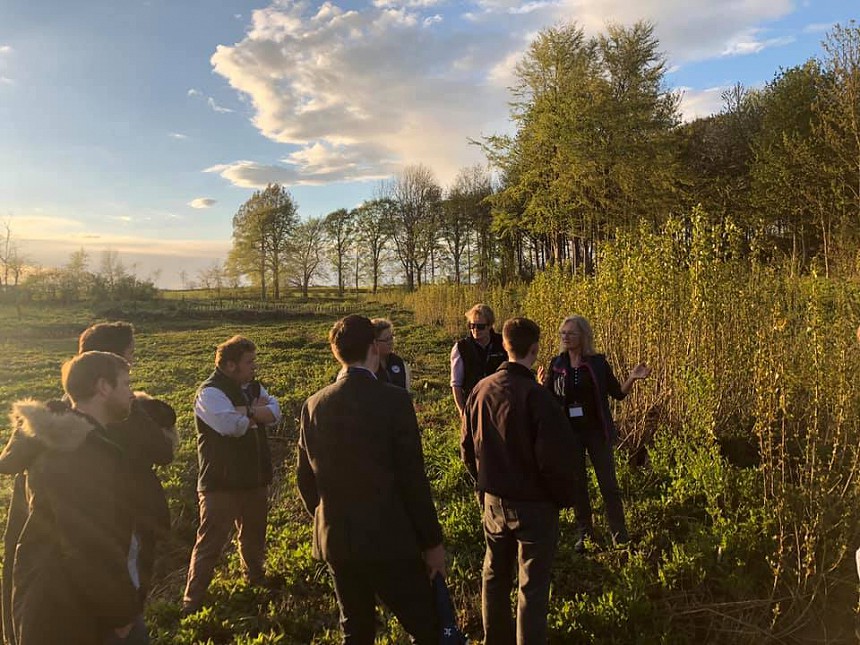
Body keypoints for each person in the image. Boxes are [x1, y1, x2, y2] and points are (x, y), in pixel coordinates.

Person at [297, 315, 445, 644]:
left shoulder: (313, 405)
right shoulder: (394, 401)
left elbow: (305, 479)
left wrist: (326, 516)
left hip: (338, 541)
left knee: (356, 629)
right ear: (373, 349)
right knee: (426, 626)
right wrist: (432, 542)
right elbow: (413, 479)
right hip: (389, 537)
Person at [0, 352, 141, 644]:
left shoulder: (77, 443)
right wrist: (119, 611)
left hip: (67, 604)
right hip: (72, 612)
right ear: (103, 387)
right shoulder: (77, 452)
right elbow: (86, 542)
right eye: (126, 384)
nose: (132, 393)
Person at [461, 317, 577, 645]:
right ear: (535, 349)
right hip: (535, 506)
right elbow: (554, 461)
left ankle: (494, 640)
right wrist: (561, 499)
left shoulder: (480, 390)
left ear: (504, 346)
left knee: (494, 577)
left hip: (493, 502)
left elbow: (467, 448)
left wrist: (483, 486)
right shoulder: (539, 399)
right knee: (533, 587)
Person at [79, 322, 177, 642]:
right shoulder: (122, 412)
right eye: (129, 355)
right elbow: (163, 452)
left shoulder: (68, 412)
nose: (133, 363)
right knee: (127, 616)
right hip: (128, 523)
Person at [182, 336, 282, 615]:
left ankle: (254, 583)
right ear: (229, 365)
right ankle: (193, 600)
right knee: (210, 542)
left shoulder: (252, 387)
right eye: (248, 362)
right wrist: (254, 413)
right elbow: (231, 426)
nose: (254, 367)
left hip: (253, 479)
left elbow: (276, 412)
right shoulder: (209, 393)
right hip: (220, 483)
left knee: (253, 537)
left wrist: (246, 411)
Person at [539, 315, 650, 552]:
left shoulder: (597, 363)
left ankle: (619, 535)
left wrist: (632, 378)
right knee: (578, 484)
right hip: (570, 434)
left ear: (583, 337)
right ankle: (585, 533)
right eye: (562, 333)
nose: (565, 337)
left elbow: (617, 394)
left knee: (608, 484)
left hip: (596, 432)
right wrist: (540, 386)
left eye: (570, 333)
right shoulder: (557, 364)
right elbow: (548, 399)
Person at [450, 304, 506, 416]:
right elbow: (456, 384)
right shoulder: (461, 347)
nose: (475, 330)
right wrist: (462, 412)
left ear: (490, 326)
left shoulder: (503, 344)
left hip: (500, 405)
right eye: (471, 325)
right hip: (473, 405)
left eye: (480, 326)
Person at [371, 318, 411, 390]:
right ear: (374, 342)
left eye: (391, 338)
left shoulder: (399, 362)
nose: (390, 342)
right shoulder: (367, 366)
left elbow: (406, 390)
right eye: (386, 340)